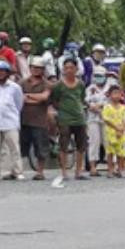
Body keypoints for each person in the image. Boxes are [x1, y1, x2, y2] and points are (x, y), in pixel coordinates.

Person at [49, 57, 90, 187]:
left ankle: (78, 171)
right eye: (66, 68)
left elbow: (82, 99)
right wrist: (61, 110)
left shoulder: (81, 84)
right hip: (64, 118)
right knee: (63, 146)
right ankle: (64, 171)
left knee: (81, 146)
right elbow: (54, 100)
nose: (69, 70)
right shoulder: (58, 85)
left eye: (71, 67)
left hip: (79, 118)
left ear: (76, 69)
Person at [0, 60, 24, 181]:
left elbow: (19, 104)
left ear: (7, 73)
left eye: (3, 71)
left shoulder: (15, 87)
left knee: (14, 148)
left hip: (10, 121)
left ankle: (17, 171)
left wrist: (12, 114)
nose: (0, 74)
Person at [19, 57, 54, 181]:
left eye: (39, 68)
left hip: (40, 120)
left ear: (43, 70)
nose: (36, 70)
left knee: (41, 147)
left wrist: (27, 96)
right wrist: (35, 99)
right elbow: (19, 98)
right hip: (24, 119)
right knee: (22, 146)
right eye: (34, 68)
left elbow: (44, 97)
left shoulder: (47, 84)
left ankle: (40, 171)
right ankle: (19, 171)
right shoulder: (22, 83)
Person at [101, 84, 125, 178]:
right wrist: (116, 128)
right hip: (110, 133)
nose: (116, 96)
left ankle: (120, 169)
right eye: (114, 93)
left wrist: (121, 129)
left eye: (118, 93)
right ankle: (110, 170)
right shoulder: (107, 107)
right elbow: (106, 119)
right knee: (110, 153)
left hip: (121, 133)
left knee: (121, 153)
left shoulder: (123, 108)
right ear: (109, 95)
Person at [84, 68, 110, 171]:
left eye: (100, 76)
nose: (98, 78)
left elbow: (112, 100)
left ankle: (111, 165)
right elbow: (86, 101)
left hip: (107, 119)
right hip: (92, 119)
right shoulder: (90, 89)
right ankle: (93, 166)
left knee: (108, 142)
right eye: (96, 76)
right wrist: (92, 106)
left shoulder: (110, 88)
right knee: (94, 142)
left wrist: (100, 106)